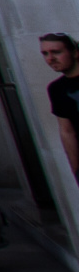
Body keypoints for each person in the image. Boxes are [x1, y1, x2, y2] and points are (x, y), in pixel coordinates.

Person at [41, 33, 79, 174]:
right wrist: (76, 170)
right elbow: (67, 131)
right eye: (45, 53)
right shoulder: (56, 89)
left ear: (74, 53)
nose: (50, 59)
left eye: (56, 52)